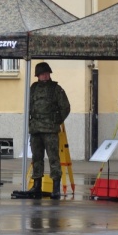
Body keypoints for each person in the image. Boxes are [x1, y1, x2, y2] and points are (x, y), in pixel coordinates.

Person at [25, 62, 70, 199]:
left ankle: (56, 188)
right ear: (37, 75)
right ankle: (37, 186)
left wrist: (56, 120)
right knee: (36, 158)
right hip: (36, 130)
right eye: (42, 74)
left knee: (53, 158)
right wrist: (30, 123)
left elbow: (66, 107)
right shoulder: (33, 88)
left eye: (46, 73)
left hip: (50, 130)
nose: (45, 76)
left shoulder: (56, 89)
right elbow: (28, 106)